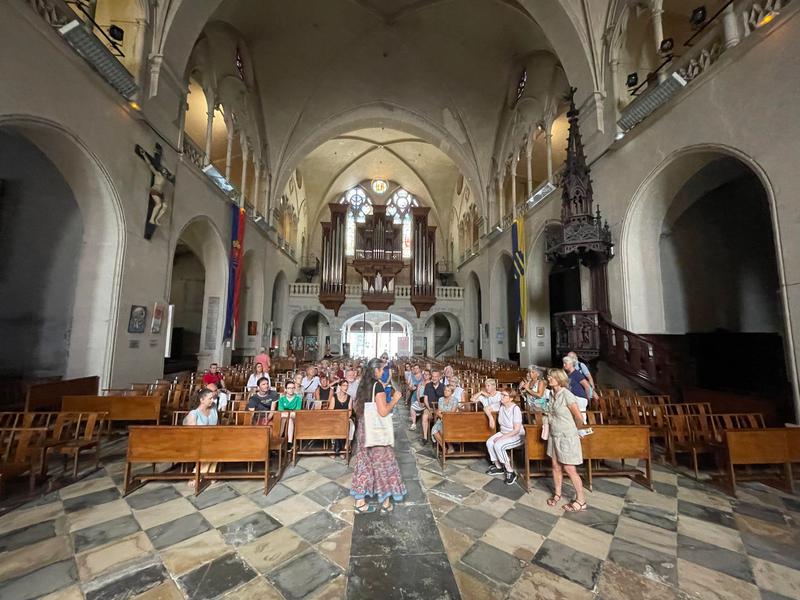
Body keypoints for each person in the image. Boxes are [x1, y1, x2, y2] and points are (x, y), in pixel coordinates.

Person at [350, 358, 406, 514]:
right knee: (384, 464)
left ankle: (360, 502)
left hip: (364, 429)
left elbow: (356, 407)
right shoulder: (378, 387)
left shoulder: (363, 385)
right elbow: (383, 412)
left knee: (364, 463)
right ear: (376, 371)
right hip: (376, 432)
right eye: (382, 369)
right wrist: (394, 400)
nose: (384, 372)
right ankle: (386, 504)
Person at [544, 368, 588, 512]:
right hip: (554, 435)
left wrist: (577, 432)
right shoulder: (552, 394)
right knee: (556, 466)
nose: (549, 378)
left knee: (569, 469)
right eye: (548, 376)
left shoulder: (567, 395)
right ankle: (557, 494)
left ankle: (581, 501)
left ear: (559, 379)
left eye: (551, 377)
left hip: (567, 436)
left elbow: (579, 418)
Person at [485, 390, 525, 485]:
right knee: (489, 442)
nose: (501, 397)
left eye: (504, 395)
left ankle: (510, 471)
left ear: (511, 398)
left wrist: (500, 438)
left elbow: (516, 430)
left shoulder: (515, 409)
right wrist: (491, 418)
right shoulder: (501, 405)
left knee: (499, 445)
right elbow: (486, 408)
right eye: (501, 395)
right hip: (504, 432)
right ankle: (499, 467)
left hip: (517, 435)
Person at [183, 388, 219, 486]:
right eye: (210, 398)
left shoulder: (214, 408)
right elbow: (191, 435)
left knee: (217, 446)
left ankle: (208, 474)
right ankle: (197, 475)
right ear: (202, 400)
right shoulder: (194, 413)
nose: (213, 400)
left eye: (213, 398)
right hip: (196, 441)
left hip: (211, 440)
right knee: (210, 448)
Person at [329, 379, 354, 457]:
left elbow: (350, 411)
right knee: (336, 425)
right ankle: (336, 448)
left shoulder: (349, 397)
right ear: (340, 386)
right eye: (344, 385)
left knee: (352, 425)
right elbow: (330, 410)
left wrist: (345, 418)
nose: (345, 387)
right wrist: (338, 417)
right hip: (335, 418)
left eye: (347, 385)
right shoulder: (334, 397)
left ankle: (345, 446)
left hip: (345, 418)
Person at [432, 383, 460, 454]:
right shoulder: (441, 399)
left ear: (452, 392)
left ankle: (450, 447)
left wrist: (442, 413)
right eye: (445, 390)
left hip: (451, 420)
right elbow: (439, 411)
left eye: (448, 391)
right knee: (434, 430)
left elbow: (452, 413)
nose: (446, 392)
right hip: (441, 419)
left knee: (443, 430)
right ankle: (444, 447)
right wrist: (442, 414)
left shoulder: (455, 400)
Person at [418, 369, 445, 442]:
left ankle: (437, 437)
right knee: (425, 416)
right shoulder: (428, 385)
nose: (434, 378)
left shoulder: (443, 387)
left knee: (439, 418)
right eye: (433, 376)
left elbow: (444, 401)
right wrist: (429, 409)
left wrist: (438, 410)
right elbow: (425, 399)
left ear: (439, 377)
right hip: (429, 407)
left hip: (439, 408)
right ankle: (425, 437)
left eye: (436, 376)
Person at [562, 355, 590, 420]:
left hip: (579, 398)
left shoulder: (577, 374)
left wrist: (588, 397)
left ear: (571, 364)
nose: (564, 365)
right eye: (563, 363)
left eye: (565, 363)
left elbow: (587, 386)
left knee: (581, 418)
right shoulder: (568, 374)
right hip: (572, 398)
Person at [278, 382, 303, 446]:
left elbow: (297, 410)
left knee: (290, 418)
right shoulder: (282, 399)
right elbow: (280, 410)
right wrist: (289, 413)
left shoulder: (298, 398)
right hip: (284, 416)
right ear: (285, 389)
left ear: (294, 389)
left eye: (292, 388)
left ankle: (288, 442)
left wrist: (289, 413)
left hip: (295, 416)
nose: (291, 389)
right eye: (289, 388)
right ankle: (285, 441)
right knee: (287, 419)